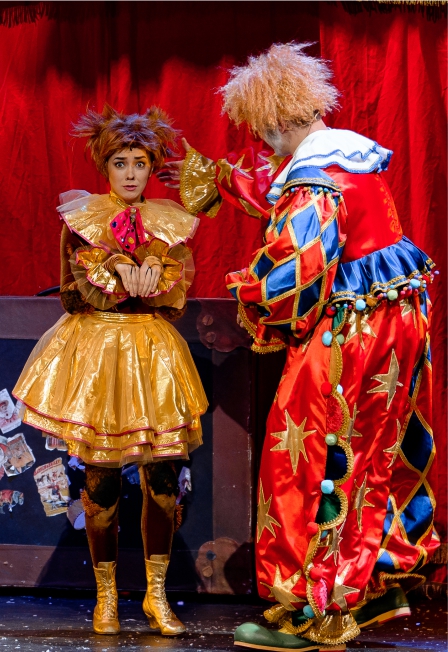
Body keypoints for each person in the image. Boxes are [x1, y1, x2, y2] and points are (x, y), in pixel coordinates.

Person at [158, 43, 439, 651]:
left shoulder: (313, 181)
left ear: (276, 119)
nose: (261, 142)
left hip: (348, 335)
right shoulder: (347, 156)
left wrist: (248, 291)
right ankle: (371, 581)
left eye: (261, 129)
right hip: (394, 323)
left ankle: (316, 608)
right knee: (373, 450)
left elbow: (296, 272)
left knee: (310, 459)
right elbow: (275, 188)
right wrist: (219, 178)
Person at [13, 105, 208, 636]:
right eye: (121, 162)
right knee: (100, 482)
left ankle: (155, 596)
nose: (130, 173)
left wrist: (158, 270)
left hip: (153, 355)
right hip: (98, 354)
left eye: (140, 163)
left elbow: (173, 302)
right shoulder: (82, 220)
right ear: (105, 166)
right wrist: (113, 268)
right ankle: (106, 598)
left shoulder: (168, 222)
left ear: (151, 168)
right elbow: (71, 296)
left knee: (163, 479)